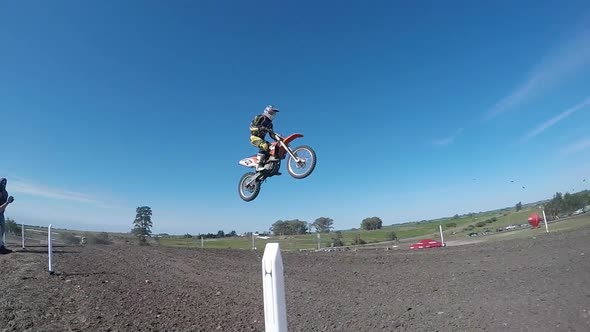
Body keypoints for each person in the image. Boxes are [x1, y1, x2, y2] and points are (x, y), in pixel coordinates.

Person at [249, 105, 281, 173]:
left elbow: (271, 135)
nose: (273, 115)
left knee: (273, 147)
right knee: (264, 145)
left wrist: (278, 139)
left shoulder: (270, 124)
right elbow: (251, 127)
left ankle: (270, 166)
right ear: (267, 111)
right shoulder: (260, 117)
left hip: (261, 139)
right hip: (254, 138)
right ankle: (258, 166)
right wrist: (260, 128)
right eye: (272, 112)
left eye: (274, 113)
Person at [0, 178, 15, 254]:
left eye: (5, 183)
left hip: (1, 213)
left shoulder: (5, 193)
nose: (4, 184)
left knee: (2, 230)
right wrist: (7, 202)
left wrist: (8, 202)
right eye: (2, 183)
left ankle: (1, 246)